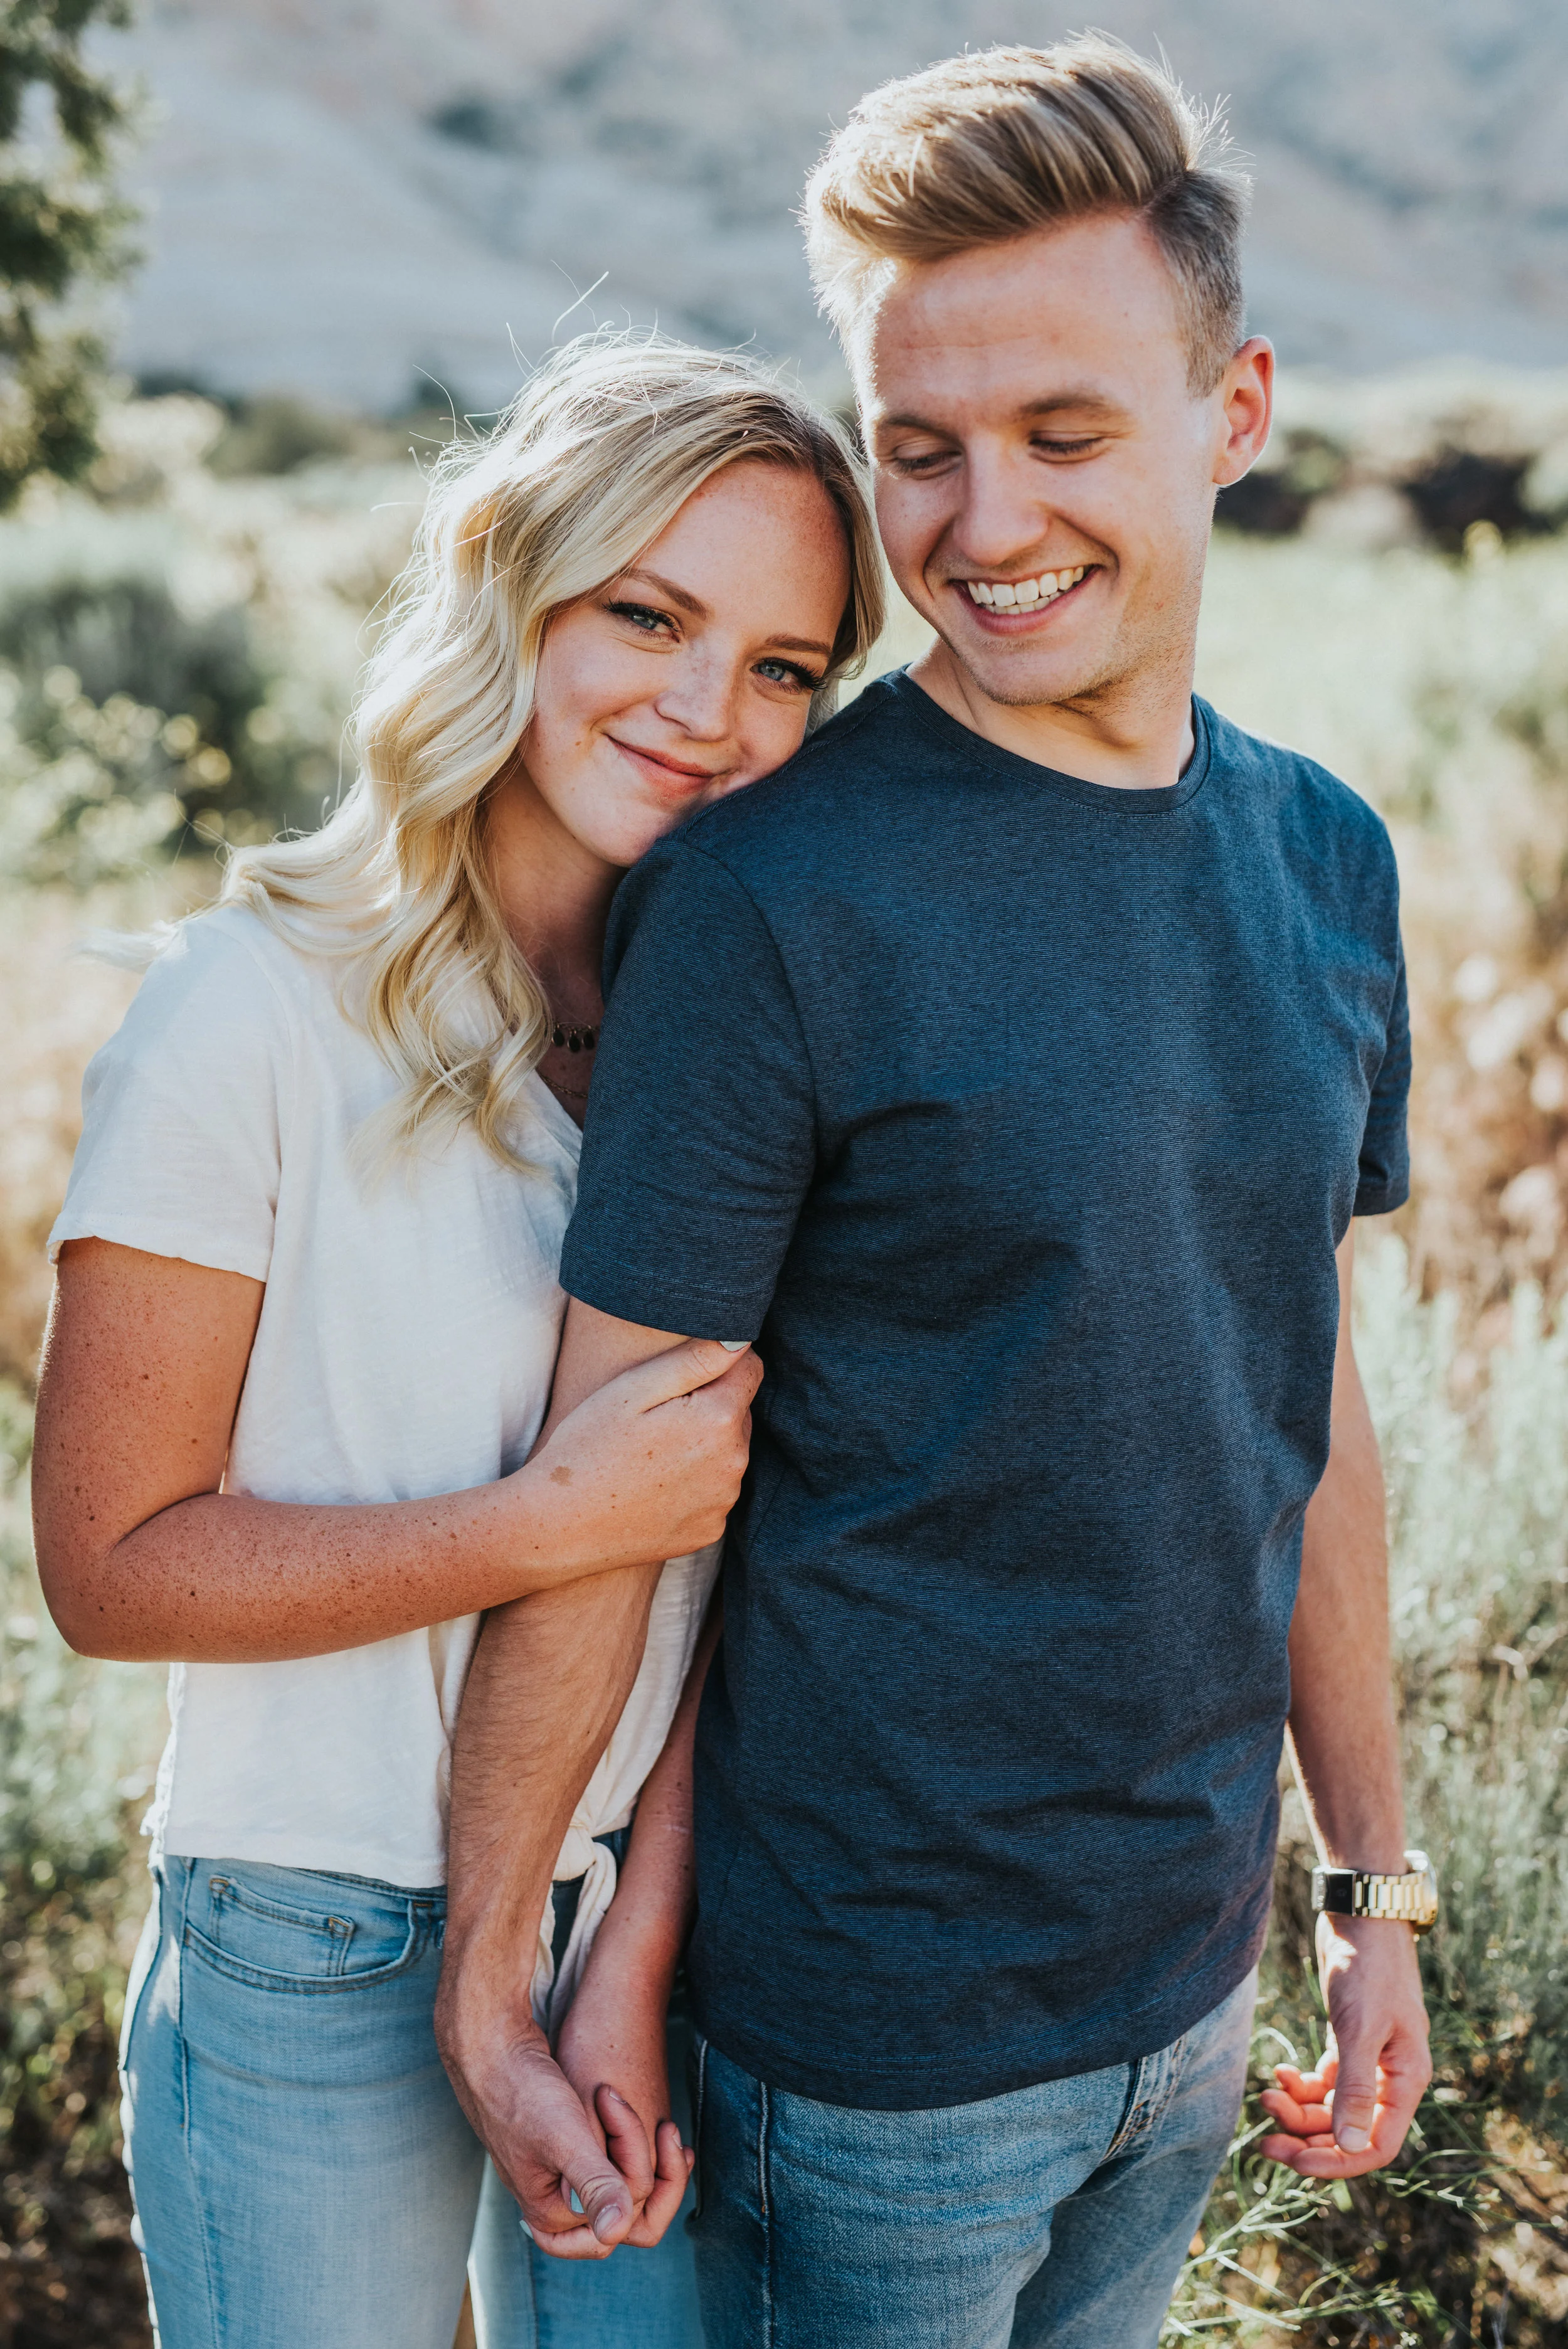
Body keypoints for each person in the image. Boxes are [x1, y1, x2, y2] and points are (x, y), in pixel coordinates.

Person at [437, 37, 1434, 2349]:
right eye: (919, 447)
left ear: (1234, 411)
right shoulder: (767, 899)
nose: (983, 528)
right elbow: (610, 1484)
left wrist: (1366, 1884)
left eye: (1063, 435)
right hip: (874, 2049)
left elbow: (1302, 1396)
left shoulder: (1324, 857)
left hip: (1194, 1986)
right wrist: (503, 1973)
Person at [29, 334, 884, 2349]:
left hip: (646, 1937)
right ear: (511, 588)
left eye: (781, 666)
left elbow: (737, 1562)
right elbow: (111, 1567)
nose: (708, 712)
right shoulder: (248, 1016)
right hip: (309, 1940)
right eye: (646, 617)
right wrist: (541, 1523)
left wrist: (627, 1936)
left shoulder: (753, 1048)